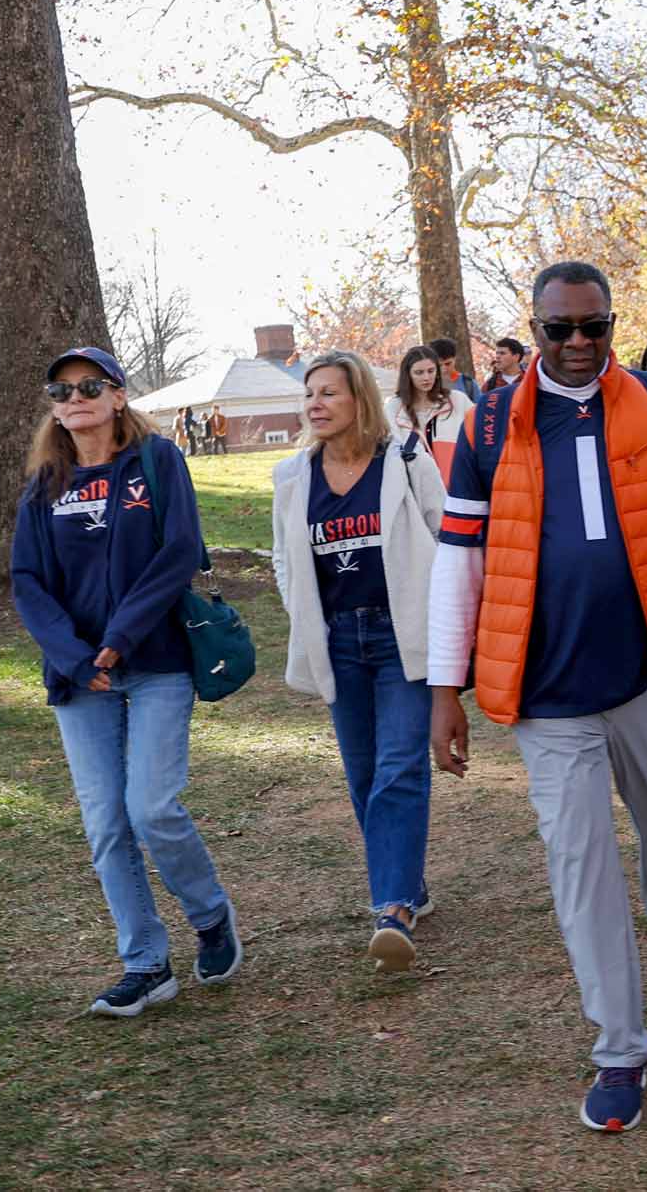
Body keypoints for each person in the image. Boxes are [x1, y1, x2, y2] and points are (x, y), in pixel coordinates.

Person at [427, 261, 647, 1134]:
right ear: (533, 326)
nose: (576, 343)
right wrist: (447, 686)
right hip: (547, 685)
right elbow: (459, 558)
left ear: (612, 325)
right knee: (580, 860)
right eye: (558, 328)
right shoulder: (488, 421)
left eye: (593, 326)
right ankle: (620, 1048)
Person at [10, 346, 243, 1017]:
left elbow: (177, 552)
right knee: (107, 824)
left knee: (152, 807)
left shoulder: (157, 461)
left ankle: (209, 913)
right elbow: (26, 580)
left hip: (157, 662)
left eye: (90, 385)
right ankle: (145, 962)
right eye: (61, 388)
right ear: (54, 406)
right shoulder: (43, 485)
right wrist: (80, 657)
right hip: (80, 678)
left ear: (117, 396)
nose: (75, 396)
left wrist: (119, 640)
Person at [273, 350, 446, 970]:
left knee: (401, 766)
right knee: (364, 774)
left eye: (329, 394)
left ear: (360, 402)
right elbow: (285, 561)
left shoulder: (403, 458)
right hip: (338, 640)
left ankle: (393, 907)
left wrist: (448, 630)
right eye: (310, 394)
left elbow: (446, 535)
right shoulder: (293, 475)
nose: (315, 404)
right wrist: (301, 616)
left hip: (402, 637)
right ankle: (408, 882)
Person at [386, 344, 469, 480]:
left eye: (431, 371)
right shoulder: (393, 408)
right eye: (419, 372)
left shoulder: (458, 400)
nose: (426, 377)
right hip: (416, 488)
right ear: (408, 375)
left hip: (456, 488)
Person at [427, 336, 481, 403]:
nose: (444, 369)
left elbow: (479, 410)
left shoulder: (468, 384)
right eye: (439, 365)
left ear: (455, 359)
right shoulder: (426, 384)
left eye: (448, 364)